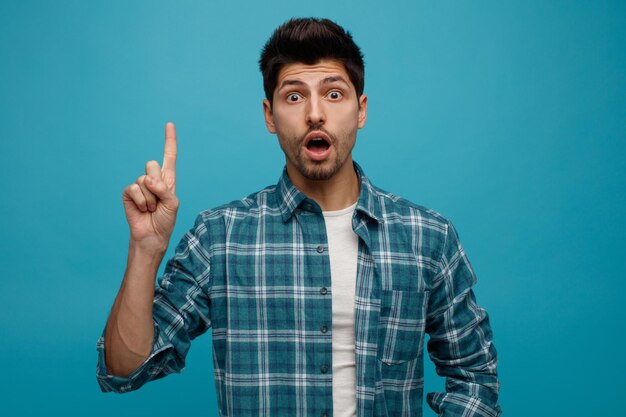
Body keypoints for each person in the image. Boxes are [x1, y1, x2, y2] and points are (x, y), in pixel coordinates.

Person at [96, 17, 501, 417]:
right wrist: (145, 250)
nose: (314, 114)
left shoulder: (427, 237)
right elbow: (125, 369)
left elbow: (474, 381)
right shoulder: (219, 237)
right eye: (293, 97)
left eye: (334, 94)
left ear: (361, 110)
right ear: (269, 116)